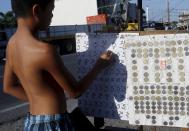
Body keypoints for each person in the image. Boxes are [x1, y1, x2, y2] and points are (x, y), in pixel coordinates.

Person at [3, 0, 114, 130]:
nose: (52, 15)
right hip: (53, 124)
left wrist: (37, 97)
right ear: (37, 11)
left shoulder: (11, 44)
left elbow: (9, 87)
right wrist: (99, 65)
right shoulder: (45, 51)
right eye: (51, 10)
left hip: (32, 122)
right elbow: (75, 91)